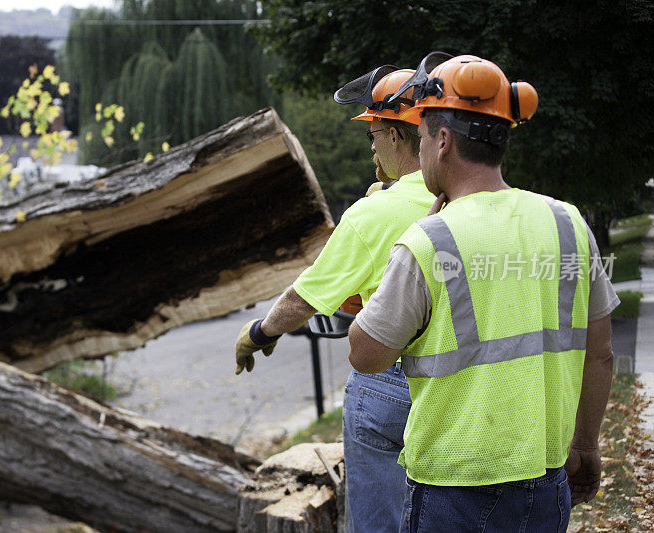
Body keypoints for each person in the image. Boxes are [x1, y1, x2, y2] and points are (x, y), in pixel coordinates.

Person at [347, 53, 618, 532]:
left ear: (443, 141)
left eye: (424, 135)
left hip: (454, 492)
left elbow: (366, 355)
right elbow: (600, 356)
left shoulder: (428, 240)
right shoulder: (567, 223)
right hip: (546, 479)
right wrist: (587, 447)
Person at [234, 67, 435, 532]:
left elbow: (304, 299)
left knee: (378, 522)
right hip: (455, 380)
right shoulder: (463, 198)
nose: (371, 145)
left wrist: (259, 332)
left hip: (389, 380)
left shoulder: (373, 212)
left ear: (397, 137)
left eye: (374, 133)